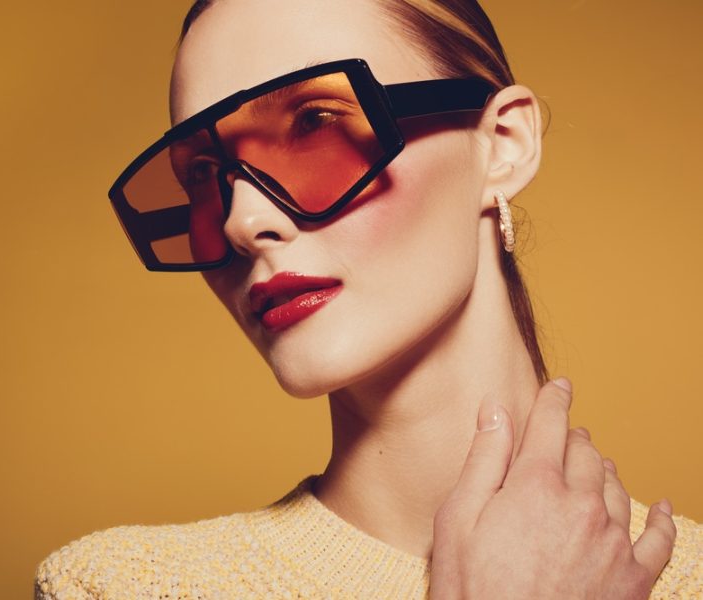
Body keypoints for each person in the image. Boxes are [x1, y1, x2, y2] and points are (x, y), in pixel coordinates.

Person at [35, 0, 702, 597]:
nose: (242, 221)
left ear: (503, 144)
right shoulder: (120, 587)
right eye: (205, 174)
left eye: (314, 123)